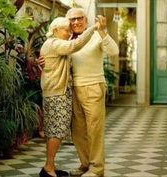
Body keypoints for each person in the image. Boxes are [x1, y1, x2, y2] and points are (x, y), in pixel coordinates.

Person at [39, 16, 101, 177]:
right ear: (55, 31)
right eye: (66, 30)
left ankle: (50, 165)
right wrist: (94, 28)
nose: (69, 33)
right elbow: (76, 44)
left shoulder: (54, 44)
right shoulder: (55, 43)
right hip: (57, 94)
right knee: (57, 131)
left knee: (54, 130)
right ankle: (48, 168)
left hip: (56, 93)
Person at [65, 8, 119, 177]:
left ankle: (96, 169)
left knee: (94, 130)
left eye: (79, 18)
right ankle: (85, 164)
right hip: (73, 89)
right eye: (72, 19)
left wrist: (103, 31)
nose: (75, 22)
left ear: (86, 20)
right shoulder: (66, 39)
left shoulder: (96, 35)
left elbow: (114, 51)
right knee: (78, 131)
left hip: (93, 87)